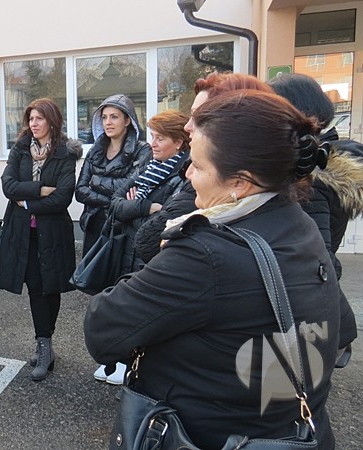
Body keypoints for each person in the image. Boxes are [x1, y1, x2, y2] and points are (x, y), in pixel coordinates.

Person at [84, 90, 338, 449]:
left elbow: (102, 328)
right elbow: (336, 328)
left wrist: (165, 260)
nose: (188, 174)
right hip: (288, 431)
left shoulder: (205, 253)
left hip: (201, 435)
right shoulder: (300, 223)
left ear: (239, 182)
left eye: (198, 166)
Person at [269, 72, 363, 367]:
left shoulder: (313, 177)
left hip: (306, 315)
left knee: (283, 384)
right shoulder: (316, 163)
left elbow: (315, 259)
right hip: (315, 306)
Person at [93, 110, 191, 385]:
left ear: (179, 142)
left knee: (147, 316)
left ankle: (137, 368)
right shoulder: (148, 164)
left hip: (152, 257)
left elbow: (163, 223)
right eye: (152, 136)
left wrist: (134, 208)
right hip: (127, 250)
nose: (152, 144)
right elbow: (115, 202)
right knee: (127, 309)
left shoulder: (183, 176)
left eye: (160, 138)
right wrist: (146, 206)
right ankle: (122, 362)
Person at [134, 72, 274, 264]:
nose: (187, 126)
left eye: (198, 117)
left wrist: (137, 209)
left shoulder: (214, 250)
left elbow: (147, 240)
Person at [0, 98, 82, 381]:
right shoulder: (20, 149)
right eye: (30, 118)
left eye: (39, 118)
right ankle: (44, 345)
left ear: (52, 121)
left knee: (51, 287)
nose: (33, 123)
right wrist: (40, 189)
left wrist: (29, 202)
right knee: (35, 287)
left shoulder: (65, 153)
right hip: (24, 233)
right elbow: (8, 186)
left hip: (53, 232)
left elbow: (63, 197)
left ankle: (47, 341)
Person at [75, 94, 151, 257]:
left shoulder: (142, 150)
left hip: (121, 226)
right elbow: (80, 191)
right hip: (93, 223)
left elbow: (130, 186)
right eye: (104, 117)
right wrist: (113, 201)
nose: (108, 122)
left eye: (114, 117)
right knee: (90, 271)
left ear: (127, 120)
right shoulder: (95, 150)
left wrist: (95, 181)